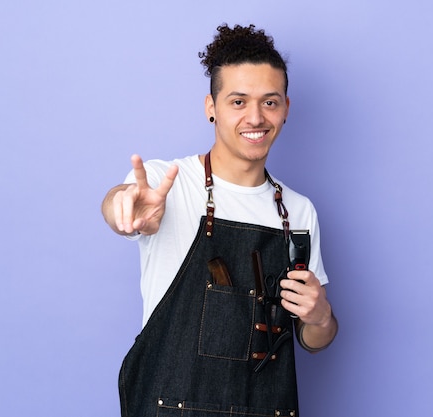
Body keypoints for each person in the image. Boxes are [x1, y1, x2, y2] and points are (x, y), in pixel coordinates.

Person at [102, 23, 338, 417]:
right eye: (238, 101)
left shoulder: (298, 212)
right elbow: (117, 205)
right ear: (211, 107)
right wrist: (123, 207)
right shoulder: (168, 183)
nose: (256, 117)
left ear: (286, 109)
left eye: (270, 101)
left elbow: (314, 339)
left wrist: (321, 316)